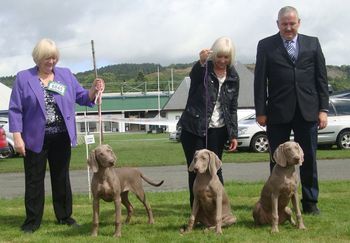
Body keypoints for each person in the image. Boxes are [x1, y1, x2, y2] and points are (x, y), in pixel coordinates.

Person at [8, 38, 105, 233]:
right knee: (34, 180)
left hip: (61, 136)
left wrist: (94, 89)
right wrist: (17, 137)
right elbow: (15, 110)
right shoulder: (23, 78)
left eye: (54, 58)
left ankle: (64, 216)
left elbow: (83, 97)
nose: (51, 62)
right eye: (47, 58)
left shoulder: (66, 75)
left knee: (61, 178)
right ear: (37, 58)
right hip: (35, 138)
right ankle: (32, 221)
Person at [254, 6, 329, 215]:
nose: (288, 27)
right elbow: (260, 81)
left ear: (299, 23)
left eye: (292, 24)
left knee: (309, 158)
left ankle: (310, 202)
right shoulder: (266, 45)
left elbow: (321, 79)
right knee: (278, 159)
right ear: (277, 24)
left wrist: (323, 109)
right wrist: (260, 110)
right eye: (284, 24)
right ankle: (276, 204)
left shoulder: (312, 43)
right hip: (277, 112)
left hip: (308, 111)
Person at [178, 36, 240, 207]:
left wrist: (233, 134)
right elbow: (194, 75)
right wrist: (201, 62)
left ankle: (220, 210)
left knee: (215, 169)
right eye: (219, 56)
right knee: (196, 170)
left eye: (226, 57)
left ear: (230, 57)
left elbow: (233, 107)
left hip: (218, 130)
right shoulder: (204, 69)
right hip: (194, 128)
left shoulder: (234, 76)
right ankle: (196, 211)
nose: (222, 60)